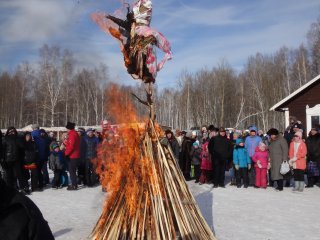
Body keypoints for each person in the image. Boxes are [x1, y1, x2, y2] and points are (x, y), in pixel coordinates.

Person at [1, 127, 28, 193]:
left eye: (13, 131)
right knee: (9, 175)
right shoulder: (4, 139)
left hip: (17, 160)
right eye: (10, 131)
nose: (12, 132)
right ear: (8, 132)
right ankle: (10, 189)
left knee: (19, 175)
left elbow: (22, 148)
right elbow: (2, 150)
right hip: (8, 160)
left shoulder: (18, 138)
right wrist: (2, 160)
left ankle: (22, 188)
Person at [65, 121, 81, 190]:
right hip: (75, 155)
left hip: (72, 156)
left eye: (67, 128)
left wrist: (66, 154)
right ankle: (74, 184)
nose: (66, 130)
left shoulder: (72, 134)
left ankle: (74, 185)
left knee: (72, 171)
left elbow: (71, 146)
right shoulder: (75, 134)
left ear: (69, 128)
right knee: (73, 171)